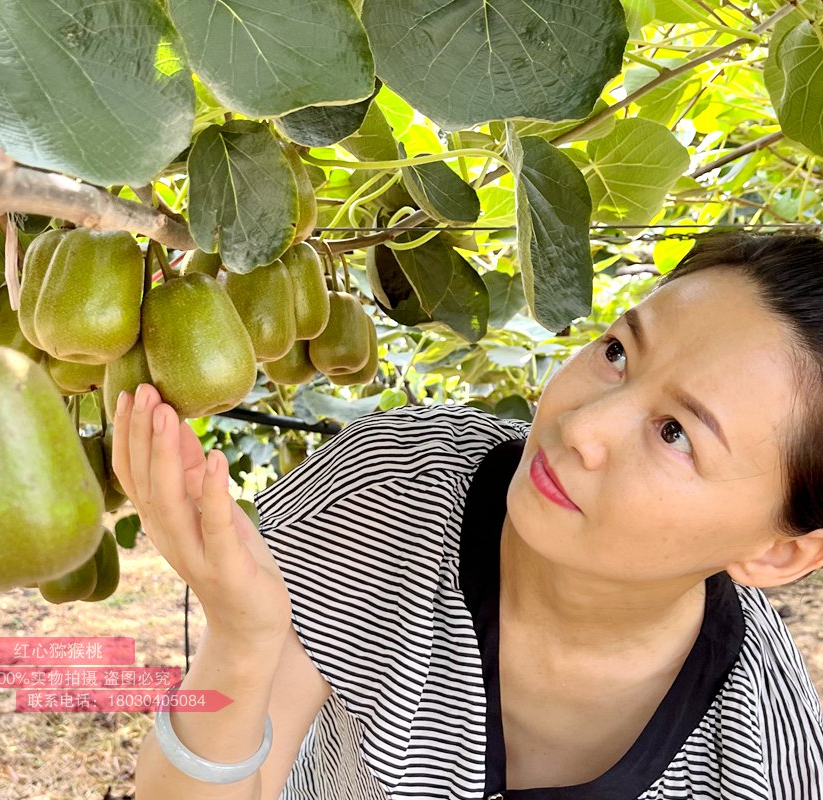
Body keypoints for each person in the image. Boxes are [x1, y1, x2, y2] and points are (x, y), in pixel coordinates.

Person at [117, 232, 823, 800]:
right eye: (616, 353)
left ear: (778, 554)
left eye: (675, 433)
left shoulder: (766, 761)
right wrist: (241, 642)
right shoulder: (388, 494)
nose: (584, 424)